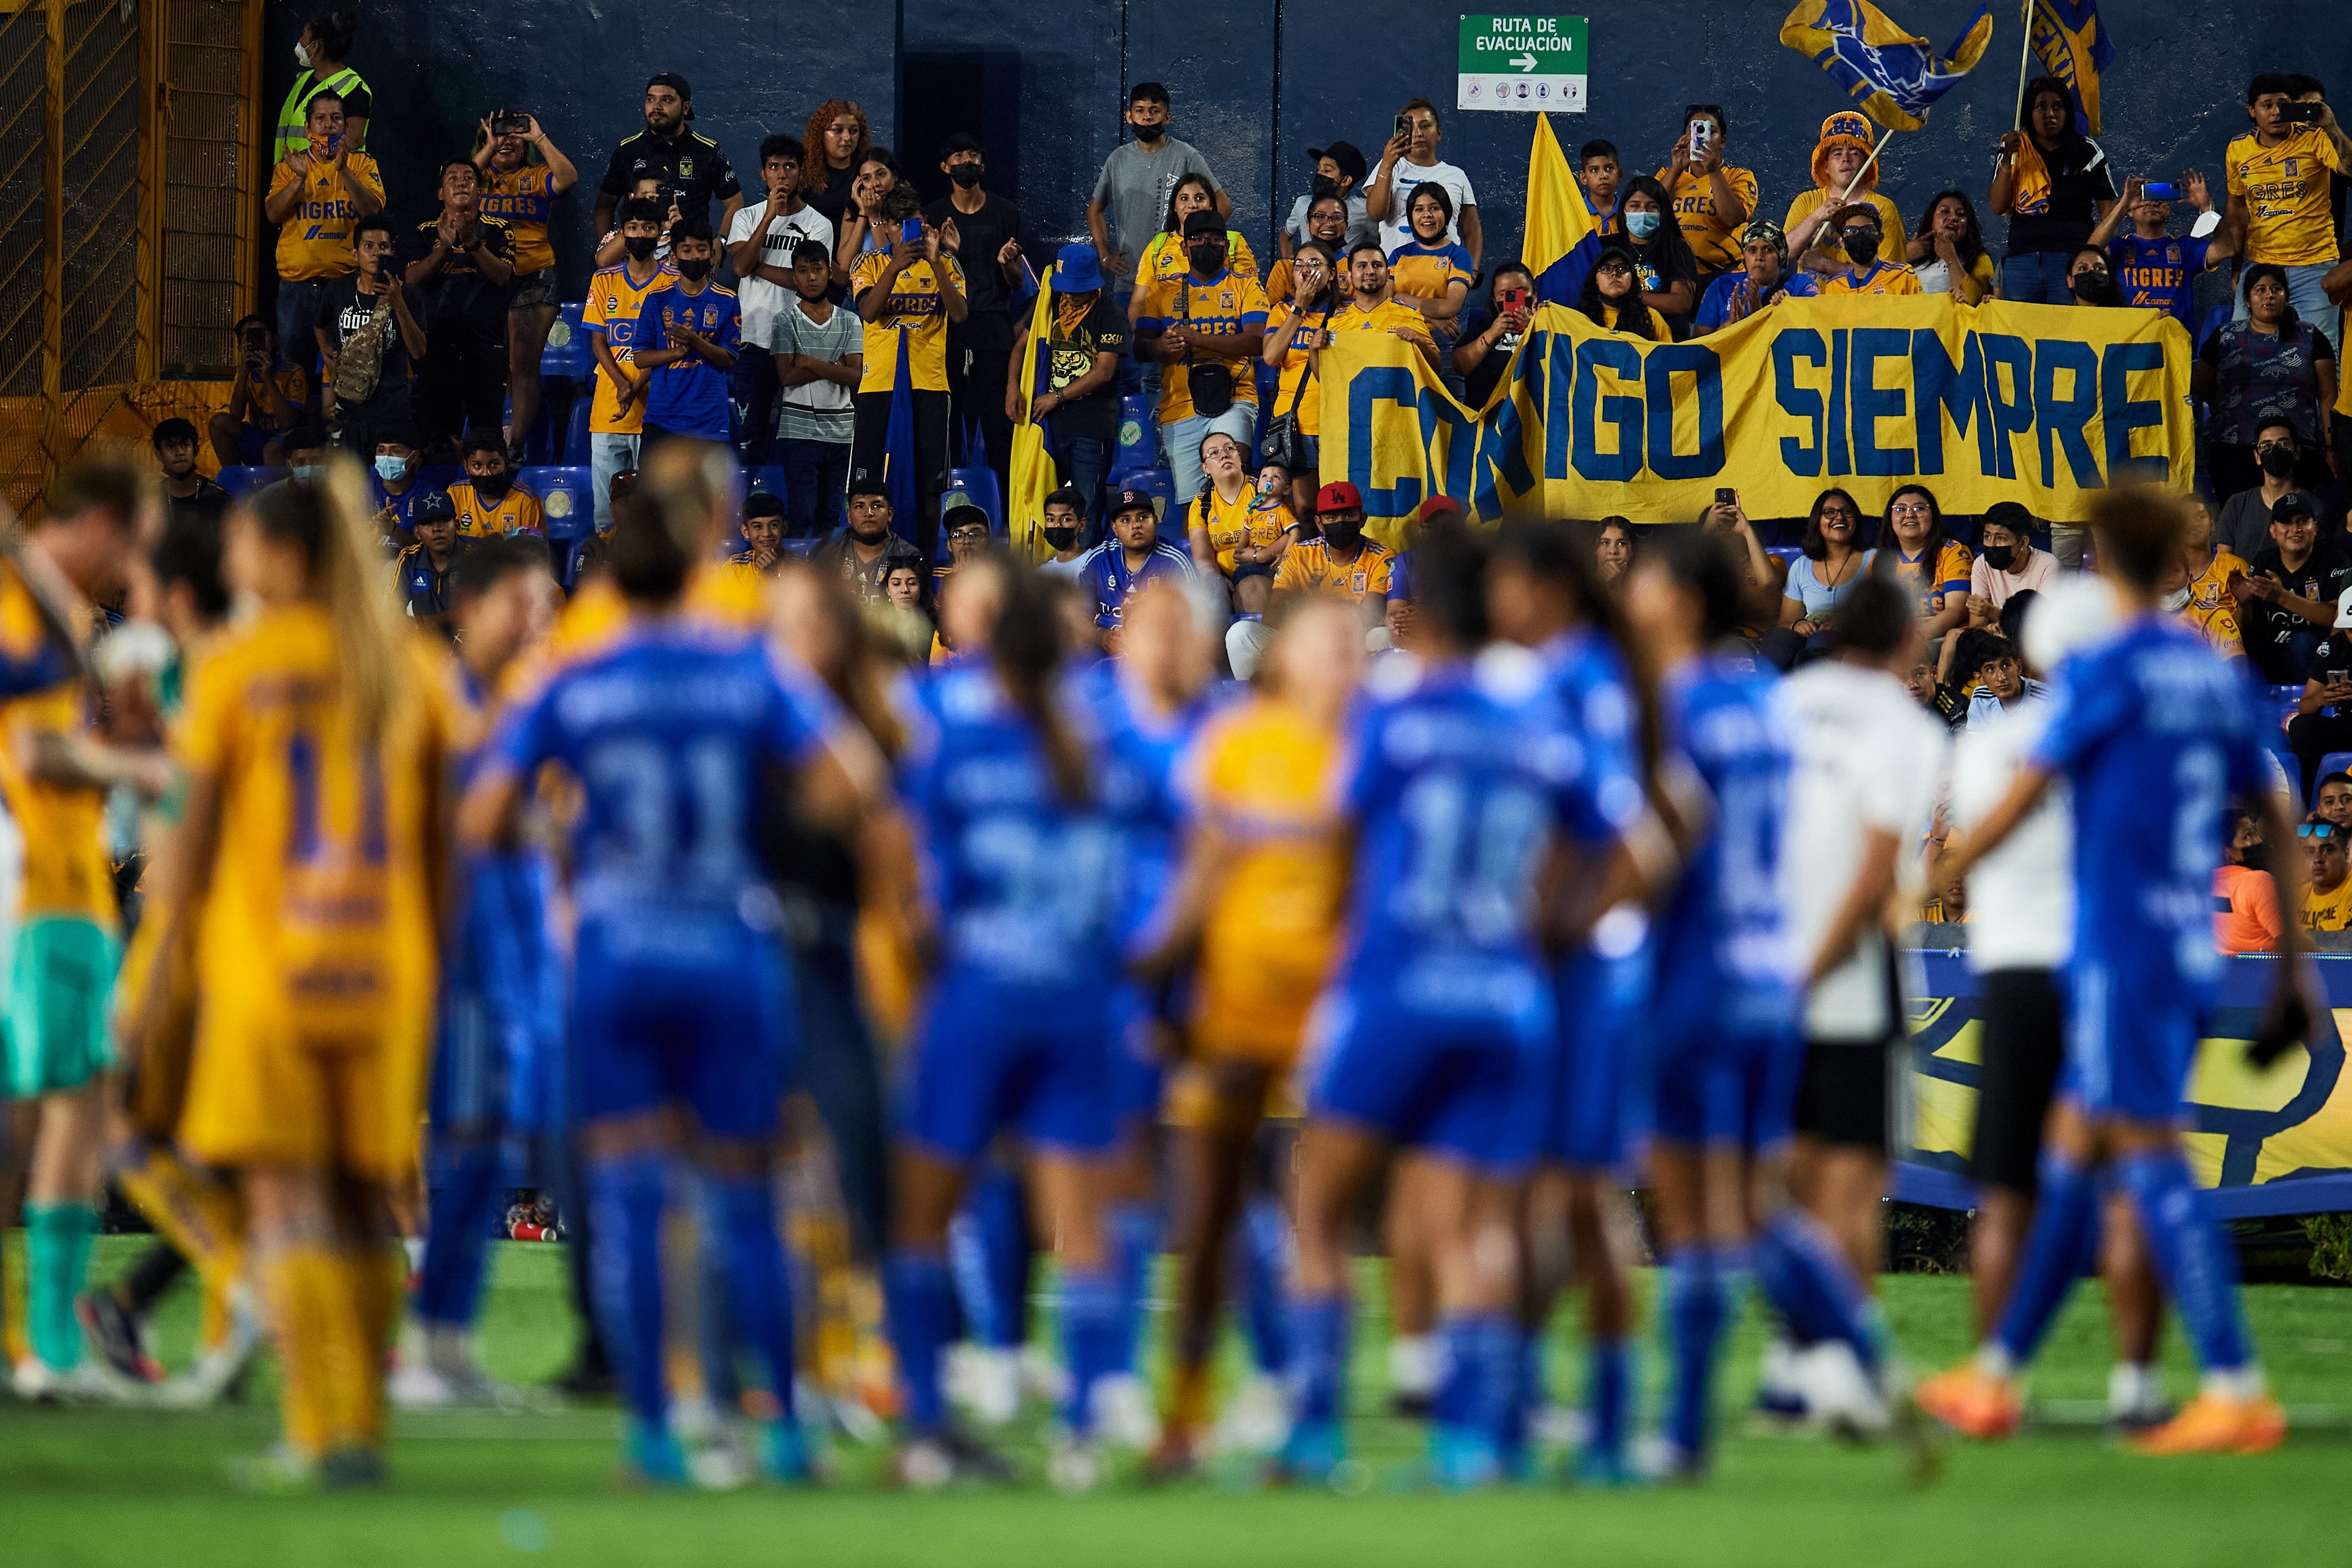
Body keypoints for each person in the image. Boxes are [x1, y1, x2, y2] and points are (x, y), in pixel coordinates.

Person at [460, 443, 883, 1486]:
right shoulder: (745, 665)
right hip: (727, 947)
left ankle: (653, 1428)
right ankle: (782, 1428)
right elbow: (852, 784)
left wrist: (566, 854)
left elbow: (480, 809)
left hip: (613, 952)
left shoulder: (577, 673)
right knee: (749, 1198)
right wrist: (756, 830)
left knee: (635, 1202)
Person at [1922, 487, 2300, 1457]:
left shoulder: (2108, 671)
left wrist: (1942, 874)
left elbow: (2021, 797)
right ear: (2177, 556)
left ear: (2098, 554)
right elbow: (2280, 812)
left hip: (2121, 944)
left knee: (2148, 1159)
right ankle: (1996, 1372)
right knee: (2073, 1152)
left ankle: (2234, 1381)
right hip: (2183, 941)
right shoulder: (2212, 670)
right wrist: (2295, 960)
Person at [1277, 528, 1631, 1487]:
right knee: (1481, 1221)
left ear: (1420, 605)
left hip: (1397, 979)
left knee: (1317, 1203)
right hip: (1505, 990)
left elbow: (1335, 832)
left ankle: (1313, 1432)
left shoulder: (1393, 704)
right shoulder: (1538, 709)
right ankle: (1473, 1442)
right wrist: (1543, 931)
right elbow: (1619, 841)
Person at [117, 460, 446, 1481]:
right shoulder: (410, 663)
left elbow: (187, 848)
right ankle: (368, 1431)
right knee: (363, 1202)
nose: (234, 559)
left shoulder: (234, 668)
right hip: (387, 969)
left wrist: (152, 984)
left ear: (286, 554)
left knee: (290, 1200)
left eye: (248, 544)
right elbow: (451, 843)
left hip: (273, 971)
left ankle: (319, 1430)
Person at [1626, 526, 1926, 1477]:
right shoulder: (1764, 701)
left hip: (1694, 976)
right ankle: (1867, 1362)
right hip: (1768, 978)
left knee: (1703, 1208)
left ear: (1678, 598)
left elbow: (1654, 848)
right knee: (1747, 1208)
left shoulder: (1673, 706)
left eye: (1644, 584)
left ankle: (1681, 1433)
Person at [882, 558, 1145, 1489]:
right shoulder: (1106, 725)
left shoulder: (947, 720)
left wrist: (924, 957)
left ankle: (925, 1420)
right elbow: (1166, 843)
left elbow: (909, 864)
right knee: (1083, 1215)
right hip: (1077, 993)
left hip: (979, 989)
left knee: (922, 1210)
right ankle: (1080, 1429)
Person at [1134, 595, 1355, 1472]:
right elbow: (1201, 868)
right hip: (1229, 1013)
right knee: (1212, 1212)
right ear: (1285, 657)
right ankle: (1184, 1415)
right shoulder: (1234, 743)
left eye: (1352, 641)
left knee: (1317, 1216)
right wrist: (1158, 976)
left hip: (1327, 1019)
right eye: (1327, 642)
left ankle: (1315, 1423)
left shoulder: (1371, 747)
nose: (1345, 655)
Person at [1482, 520, 1661, 1482]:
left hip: (1579, 978)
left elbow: (1640, 837)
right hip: (1548, 968)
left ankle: (1597, 1418)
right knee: (1546, 1196)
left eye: (1509, 582)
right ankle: (1543, 1410)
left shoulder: (1582, 681)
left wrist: (1558, 929)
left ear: (1544, 588)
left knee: (1572, 1199)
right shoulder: (1554, 676)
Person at [2, 462, 162, 1400]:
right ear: (101, 521)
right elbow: (33, 750)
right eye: (134, 540)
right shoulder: (29, 605)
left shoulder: (46, 599)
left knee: (68, 1105)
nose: (135, 563)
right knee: (56, 1110)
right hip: (42, 889)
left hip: (63, 889)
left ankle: (45, 1344)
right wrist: (134, 769)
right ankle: (49, 1346)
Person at [390, 535, 555, 1409]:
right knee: (464, 1149)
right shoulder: (438, 702)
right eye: (522, 604)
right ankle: (425, 1342)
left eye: (546, 606)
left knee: (495, 1154)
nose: (538, 621)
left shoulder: (517, 703)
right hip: (454, 962)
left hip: (514, 965)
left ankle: (446, 1343)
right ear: (470, 605)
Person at [1779, 578, 1947, 1293]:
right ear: (1909, 639)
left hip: (1766, 967)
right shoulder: (1908, 729)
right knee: (1853, 1173)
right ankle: (1838, 1356)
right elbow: (1880, 866)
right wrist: (1814, 966)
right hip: (1847, 978)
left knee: (1790, 1169)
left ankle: (1796, 1351)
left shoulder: (1781, 706)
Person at [850, 196, 967, 557]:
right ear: (885, 226)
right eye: (900, 224)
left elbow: (960, 314)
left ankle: (925, 566)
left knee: (930, 487)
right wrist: (896, 265)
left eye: (914, 223)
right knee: (869, 488)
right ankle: (872, 566)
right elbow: (869, 311)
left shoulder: (946, 263)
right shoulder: (868, 263)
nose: (906, 232)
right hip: (879, 387)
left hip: (930, 386)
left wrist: (934, 262)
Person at [1135, 212, 1267, 505]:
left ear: (1225, 245)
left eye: (1216, 239)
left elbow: (1257, 342)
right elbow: (1140, 348)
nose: (1207, 245)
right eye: (1197, 239)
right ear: (1184, 247)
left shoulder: (1246, 286)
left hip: (1236, 397)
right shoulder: (1160, 291)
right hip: (1179, 404)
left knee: (1235, 484)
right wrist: (1160, 345)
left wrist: (1196, 338)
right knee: (1194, 505)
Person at [473, 113, 579, 466]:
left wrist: (540, 136)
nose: (507, 142)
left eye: (515, 138)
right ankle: (484, 444)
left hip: (533, 276)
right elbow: (457, 185)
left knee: (522, 364)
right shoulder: (478, 178)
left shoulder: (534, 177)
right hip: (486, 280)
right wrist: (487, 148)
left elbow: (568, 179)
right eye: (499, 136)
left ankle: (515, 448)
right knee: (489, 364)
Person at [726, 135, 836, 466]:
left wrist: (757, 267)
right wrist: (769, 219)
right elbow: (740, 267)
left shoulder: (819, 224)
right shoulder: (746, 217)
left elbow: (810, 283)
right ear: (763, 174)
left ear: (801, 172)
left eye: (789, 166)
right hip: (753, 341)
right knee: (751, 436)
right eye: (774, 167)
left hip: (801, 342)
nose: (782, 174)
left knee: (798, 438)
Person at [2220, 74, 2350, 350]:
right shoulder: (2238, 149)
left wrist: (2332, 128)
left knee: (2321, 355)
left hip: (2314, 266)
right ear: (2252, 112)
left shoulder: (2315, 138)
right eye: (2267, 105)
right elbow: (2237, 207)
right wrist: (2236, 265)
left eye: (2284, 104)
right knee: (2239, 352)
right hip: (2260, 266)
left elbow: (2349, 168)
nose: (2276, 112)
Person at [926, 132, 1026, 493]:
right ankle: (949, 511)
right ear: (944, 166)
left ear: (982, 165)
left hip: (993, 331)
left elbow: (1016, 284)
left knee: (999, 428)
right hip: (948, 333)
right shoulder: (934, 215)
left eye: (973, 156)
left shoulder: (1006, 213)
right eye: (957, 156)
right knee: (949, 426)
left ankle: (1006, 514)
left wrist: (1007, 264)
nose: (966, 162)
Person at [1007, 243, 1125, 532]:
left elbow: (1104, 372)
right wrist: (1012, 387)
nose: (1069, 296)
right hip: (1047, 428)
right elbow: (1020, 347)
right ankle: (1045, 572)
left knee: (1087, 510)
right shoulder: (1047, 305)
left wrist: (1056, 397)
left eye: (1076, 289)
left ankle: (1087, 574)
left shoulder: (1109, 313)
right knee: (1045, 508)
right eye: (1065, 288)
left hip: (1091, 428)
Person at [2196, 265, 2338, 504]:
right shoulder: (2224, 337)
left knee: (2294, 525)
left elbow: (2327, 396)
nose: (2269, 295)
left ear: (2286, 296)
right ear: (2247, 301)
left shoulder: (2311, 336)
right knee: (2241, 527)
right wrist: (2227, 405)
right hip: (2234, 449)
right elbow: (2200, 383)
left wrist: (2331, 445)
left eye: (2276, 289)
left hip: (2296, 450)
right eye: (2260, 290)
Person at [403, 159, 514, 453]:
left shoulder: (498, 228)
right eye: (452, 178)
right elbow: (411, 280)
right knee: (438, 440)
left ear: (479, 191)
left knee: (486, 437)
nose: (461, 182)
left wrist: (473, 243)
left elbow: (504, 277)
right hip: (436, 348)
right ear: (441, 193)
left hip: (485, 348)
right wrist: (444, 248)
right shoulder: (424, 232)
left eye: (468, 178)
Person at [265, 92, 383, 363]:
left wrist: (344, 171)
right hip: (297, 289)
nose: (328, 125)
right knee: (295, 373)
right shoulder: (290, 166)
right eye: (320, 119)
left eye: (336, 119)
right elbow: (273, 214)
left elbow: (373, 212)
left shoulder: (362, 164)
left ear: (345, 126)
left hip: (345, 287)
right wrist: (298, 180)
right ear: (308, 128)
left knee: (349, 369)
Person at [1088, 82, 1226, 313]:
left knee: (1176, 346)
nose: (1147, 117)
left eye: (1155, 111)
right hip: (1129, 281)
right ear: (1129, 117)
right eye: (1140, 111)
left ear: (1167, 117)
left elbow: (1224, 205)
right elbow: (1095, 209)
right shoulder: (1118, 159)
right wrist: (1105, 256)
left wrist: (1196, 241)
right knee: (1132, 347)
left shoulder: (1187, 156)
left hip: (1178, 282)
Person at [583, 198, 676, 532]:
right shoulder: (604, 279)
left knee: (657, 515)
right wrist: (622, 385)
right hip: (608, 409)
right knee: (606, 517)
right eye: (633, 228)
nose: (640, 234)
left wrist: (634, 388)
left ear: (660, 232)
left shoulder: (673, 282)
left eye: (648, 228)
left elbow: (669, 348)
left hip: (656, 412)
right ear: (622, 232)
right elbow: (598, 341)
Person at [1989, 76, 2119, 305]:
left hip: (2070, 262)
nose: (2050, 113)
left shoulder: (2087, 151)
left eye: (2057, 106)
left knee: (2066, 335)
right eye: (2041, 106)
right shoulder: (2016, 148)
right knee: (2020, 335)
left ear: (2067, 111)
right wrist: (2007, 159)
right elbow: (1998, 206)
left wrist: (2100, 261)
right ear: (2029, 111)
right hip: (2021, 261)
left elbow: (2108, 211)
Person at [773, 241, 863, 538]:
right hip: (799, 433)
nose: (811, 277)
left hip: (841, 432)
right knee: (802, 513)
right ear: (794, 277)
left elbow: (854, 378)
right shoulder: (785, 321)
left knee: (831, 516)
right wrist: (833, 367)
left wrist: (810, 362)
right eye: (803, 271)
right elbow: (786, 376)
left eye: (817, 269)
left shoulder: (850, 321)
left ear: (830, 272)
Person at [318, 214, 424, 461]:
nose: (377, 253)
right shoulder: (336, 291)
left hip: (391, 410)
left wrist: (398, 305)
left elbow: (419, 352)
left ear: (392, 253)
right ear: (355, 254)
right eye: (369, 246)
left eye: (384, 247)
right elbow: (320, 325)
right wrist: (325, 351)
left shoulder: (410, 296)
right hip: (350, 411)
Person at [592, 72, 742, 242]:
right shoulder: (628, 149)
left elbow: (735, 204)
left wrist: (720, 241)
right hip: (639, 256)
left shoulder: (707, 150)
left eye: (667, 100)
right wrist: (606, 248)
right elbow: (605, 205)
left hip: (690, 255)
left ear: (685, 108)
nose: (656, 106)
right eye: (651, 99)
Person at [633, 218, 740, 447]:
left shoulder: (728, 299)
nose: (694, 257)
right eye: (687, 250)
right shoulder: (656, 299)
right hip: (662, 421)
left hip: (710, 424)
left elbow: (727, 360)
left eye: (701, 250)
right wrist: (678, 352)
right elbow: (640, 358)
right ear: (673, 256)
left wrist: (695, 341)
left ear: (712, 254)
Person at [2087, 173, 2227, 332]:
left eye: (2160, 199)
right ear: (2131, 212)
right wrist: (2121, 207)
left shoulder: (2186, 247)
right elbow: (2090, 252)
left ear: (2169, 210)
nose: (2153, 203)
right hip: (2130, 339)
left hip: (2175, 339)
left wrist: (2207, 207)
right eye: (2144, 198)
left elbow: (2226, 249)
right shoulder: (2118, 246)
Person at [2239, 490, 2347, 686]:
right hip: (2272, 654)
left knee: (2302, 643)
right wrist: (2243, 603)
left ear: (2315, 528)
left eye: (2303, 521)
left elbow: (2338, 618)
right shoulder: (2263, 561)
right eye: (2286, 522)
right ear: (2273, 531)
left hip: (2316, 657)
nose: (2295, 528)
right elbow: (2247, 623)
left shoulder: (2335, 560)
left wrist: (2281, 597)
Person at [1762, 488, 1874, 670]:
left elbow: (1885, 615)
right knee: (1776, 640)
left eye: (1847, 512)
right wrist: (1797, 624)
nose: (1839, 517)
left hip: (1856, 635)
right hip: (1812, 633)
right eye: (1830, 513)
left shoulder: (1874, 560)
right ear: (1817, 522)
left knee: (1820, 641)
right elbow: (1785, 622)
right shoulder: (1802, 565)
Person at [1185, 430, 1292, 616]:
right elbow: (1202, 557)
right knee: (1204, 598)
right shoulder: (1202, 503)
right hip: (1223, 576)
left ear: (1239, 456)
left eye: (1229, 449)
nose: (1224, 455)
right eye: (1214, 453)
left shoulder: (1264, 492)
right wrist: (1216, 580)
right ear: (1206, 468)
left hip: (1262, 570)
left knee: (1251, 589)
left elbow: (1290, 533)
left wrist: (1266, 555)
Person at [1785, 112, 1905, 275]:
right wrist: (1816, 217)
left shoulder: (1884, 208)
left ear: (1867, 163)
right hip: (1812, 300)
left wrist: (1824, 265)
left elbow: (1888, 277)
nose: (1846, 159)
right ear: (1825, 166)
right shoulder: (1806, 201)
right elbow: (1783, 255)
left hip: (1862, 301)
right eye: (1837, 153)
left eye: (1855, 152)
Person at [1365, 97, 1479, 268]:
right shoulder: (1389, 168)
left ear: (1439, 133)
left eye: (1426, 126)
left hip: (1444, 271)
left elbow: (1472, 231)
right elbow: (1376, 214)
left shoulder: (1456, 175)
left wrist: (1472, 271)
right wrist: (1387, 164)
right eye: (1411, 127)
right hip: (1394, 271)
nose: (1418, 133)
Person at [1079, 486, 1195, 651]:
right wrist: (1101, 636)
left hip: (1158, 652)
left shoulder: (1175, 562)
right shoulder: (1099, 558)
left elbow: (1194, 623)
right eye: (1126, 520)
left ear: (1155, 521)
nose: (1136, 526)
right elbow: (1079, 618)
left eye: (1143, 518)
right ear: (1115, 529)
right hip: (1103, 651)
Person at [1656, 104, 1757, 293]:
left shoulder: (1739, 176)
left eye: (1712, 132)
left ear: (1723, 141)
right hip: (1674, 274)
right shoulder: (1668, 175)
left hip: (1724, 276)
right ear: (1686, 138)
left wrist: (1713, 171)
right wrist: (1676, 169)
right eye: (1697, 130)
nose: (1704, 137)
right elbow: (1649, 210)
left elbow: (1732, 219)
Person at [1874, 483, 1972, 644]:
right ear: (1889, 518)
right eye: (1900, 509)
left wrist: (1913, 641)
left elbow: (1957, 611)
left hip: (1943, 641)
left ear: (1933, 515)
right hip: (1899, 643)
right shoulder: (1880, 559)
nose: (1910, 515)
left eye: (1919, 508)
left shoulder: (1953, 552)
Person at [210, 316, 311, 469]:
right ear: (240, 346)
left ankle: (273, 493)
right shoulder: (245, 374)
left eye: (261, 335)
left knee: (271, 449)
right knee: (219, 422)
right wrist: (244, 373)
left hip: (288, 439)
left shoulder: (293, 371)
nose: (255, 342)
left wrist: (268, 378)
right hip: (259, 436)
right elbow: (235, 416)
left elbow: (289, 423)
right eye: (248, 337)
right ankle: (236, 483)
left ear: (274, 341)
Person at [2215, 417, 2319, 562]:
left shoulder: (2315, 508)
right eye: (2266, 445)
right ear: (2257, 457)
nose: (2275, 451)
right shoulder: (2237, 504)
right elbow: (2223, 563)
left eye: (2283, 444)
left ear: (2297, 452)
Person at [813, 478, 927, 608]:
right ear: (849, 516)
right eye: (859, 507)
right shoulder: (831, 554)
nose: (869, 513)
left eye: (877, 506)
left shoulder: (908, 555)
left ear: (890, 514)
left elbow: (920, 612)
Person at [1692, 220, 1819, 333]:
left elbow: (1817, 331)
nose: (1759, 257)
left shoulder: (1801, 285)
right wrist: (1732, 325)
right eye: (1752, 250)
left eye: (1769, 250)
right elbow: (1698, 345)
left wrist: (1788, 311)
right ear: (1744, 256)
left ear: (1781, 255)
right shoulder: (1721, 285)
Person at [273, 9, 368, 159]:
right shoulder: (302, 80)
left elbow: (353, 143)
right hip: (289, 177)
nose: (300, 40)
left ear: (315, 46)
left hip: (325, 181)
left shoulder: (354, 88)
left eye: (304, 36)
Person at [1386, 186, 1475, 343]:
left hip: (1441, 338)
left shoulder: (1459, 256)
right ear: (1411, 217)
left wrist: (1401, 297)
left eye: (1435, 208)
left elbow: (1449, 308)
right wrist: (1432, 318)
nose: (1427, 215)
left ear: (1446, 213)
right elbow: (1386, 303)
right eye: (1419, 209)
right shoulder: (1398, 255)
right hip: (1398, 334)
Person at [1617, 175, 1700, 331]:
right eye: (1635, 206)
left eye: (1652, 207)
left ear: (1663, 212)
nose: (1643, 212)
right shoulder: (1608, 246)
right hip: (1620, 338)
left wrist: (1630, 295)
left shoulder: (1678, 249)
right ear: (1623, 211)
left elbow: (1681, 302)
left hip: (1667, 341)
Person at [1452, 258, 1539, 405]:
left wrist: (1537, 329)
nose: (1513, 297)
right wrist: (1492, 334)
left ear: (1534, 294)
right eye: (1505, 294)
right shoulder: (1484, 326)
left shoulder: (1549, 323)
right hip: (1490, 416)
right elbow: (1459, 367)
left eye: (1520, 292)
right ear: (1494, 300)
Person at [393, 489, 470, 631]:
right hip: (424, 645)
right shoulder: (409, 559)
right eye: (428, 523)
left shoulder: (475, 558)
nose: (437, 529)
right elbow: (392, 612)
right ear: (417, 532)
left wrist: (428, 622)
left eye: (444, 520)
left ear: (457, 526)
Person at [1904, 190, 1996, 303]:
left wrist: (1951, 258)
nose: (1953, 218)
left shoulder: (1979, 259)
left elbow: (1974, 301)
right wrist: (1905, 255)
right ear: (1931, 220)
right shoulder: (1914, 257)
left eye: (1961, 214)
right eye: (1945, 211)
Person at [1280, 141, 1370, 257]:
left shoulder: (1364, 209)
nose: (1320, 174)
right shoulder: (1302, 204)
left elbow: (1383, 238)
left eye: (1327, 171)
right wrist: (1288, 265)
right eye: (1319, 169)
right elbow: (1286, 236)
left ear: (1345, 181)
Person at [2214, 812, 2286, 955]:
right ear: (2225, 852)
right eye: (2247, 836)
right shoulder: (2259, 882)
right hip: (2264, 974)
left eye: (2255, 833)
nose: (2258, 841)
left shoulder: (2202, 887)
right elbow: (2295, 945)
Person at [447, 432, 543, 537]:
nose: (486, 473)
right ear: (466, 467)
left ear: (506, 464)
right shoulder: (455, 494)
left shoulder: (526, 500)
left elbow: (534, 550)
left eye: (494, 464)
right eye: (477, 466)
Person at [1817, 205, 1922, 297]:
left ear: (1880, 238)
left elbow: (1918, 316)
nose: (1860, 236)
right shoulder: (1834, 286)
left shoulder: (1902, 275)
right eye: (1851, 231)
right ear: (1842, 242)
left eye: (1868, 230)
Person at [801, 99, 872, 237]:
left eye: (854, 131)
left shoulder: (867, 174)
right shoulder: (805, 174)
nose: (847, 138)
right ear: (820, 135)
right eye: (837, 131)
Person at [1968, 503, 2057, 611]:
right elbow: (1977, 624)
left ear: (2024, 542)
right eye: (1987, 536)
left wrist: (1990, 612)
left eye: (2001, 538)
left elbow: (2043, 624)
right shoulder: (1982, 564)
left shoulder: (2048, 566)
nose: (1992, 544)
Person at [1578, 245, 1664, 340]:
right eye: (1606, 269)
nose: (1615, 273)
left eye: (1622, 268)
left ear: (1633, 279)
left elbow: (1666, 354)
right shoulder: (1579, 319)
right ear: (1595, 280)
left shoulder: (1651, 318)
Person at [152, 420, 228, 528]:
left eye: (185, 445)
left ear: (196, 450)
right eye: (170, 447)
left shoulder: (219, 499)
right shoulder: (151, 501)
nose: (179, 452)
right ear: (159, 454)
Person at [728, 491, 790, 581]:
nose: (766, 534)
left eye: (774, 525)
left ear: (784, 528)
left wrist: (773, 576)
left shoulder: (800, 567)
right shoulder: (735, 568)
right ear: (746, 532)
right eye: (758, 527)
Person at [2300, 821, 2352, 930]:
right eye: (2309, 852)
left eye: (2328, 851)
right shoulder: (2298, 897)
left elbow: (2348, 944)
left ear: (2347, 854)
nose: (2317, 859)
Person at [1037, 487, 1092, 580]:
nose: (1057, 525)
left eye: (1066, 519)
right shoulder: (1041, 574)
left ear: (1082, 525)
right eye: (1051, 520)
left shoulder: (1095, 565)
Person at [1579, 139, 1624, 235]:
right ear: (1583, 178)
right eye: (1594, 170)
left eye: (1609, 168)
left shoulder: (1627, 212)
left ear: (1620, 174)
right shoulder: (1576, 215)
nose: (1603, 176)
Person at [1595, 517, 1635, 590]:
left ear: (1632, 550)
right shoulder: (1578, 584)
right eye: (1605, 543)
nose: (1613, 551)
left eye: (1621, 544)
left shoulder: (1646, 588)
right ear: (1595, 550)